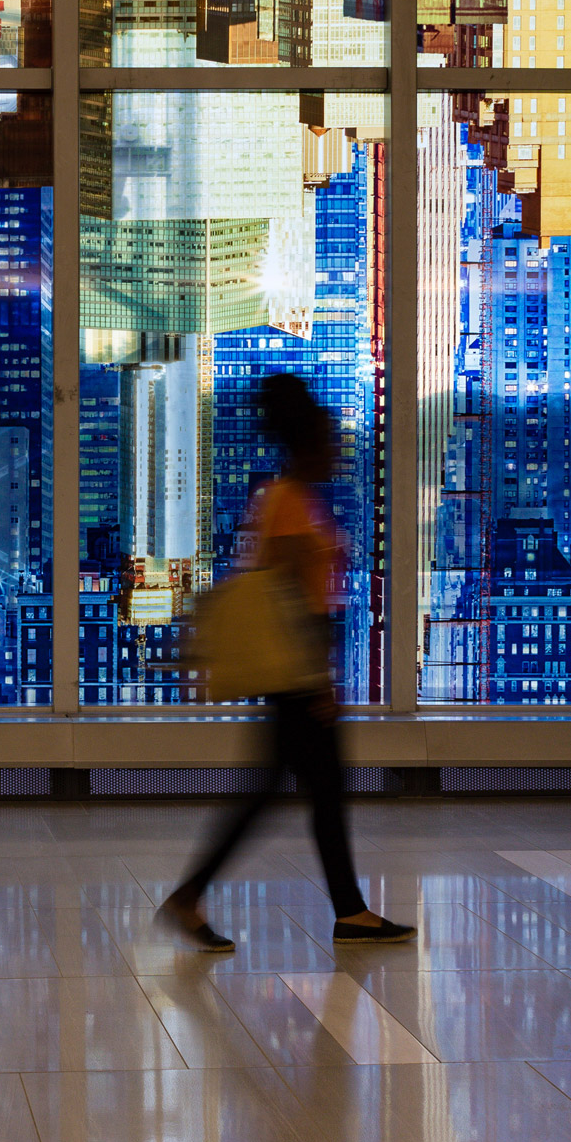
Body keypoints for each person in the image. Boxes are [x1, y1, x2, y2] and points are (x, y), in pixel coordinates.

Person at [156, 373, 415, 954]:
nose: (337, 451)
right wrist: (319, 679)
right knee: (300, 792)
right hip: (296, 675)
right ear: (308, 444)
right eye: (330, 441)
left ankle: (343, 909)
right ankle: (338, 911)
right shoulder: (293, 503)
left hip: (291, 676)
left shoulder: (279, 497)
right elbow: (295, 599)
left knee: (297, 791)